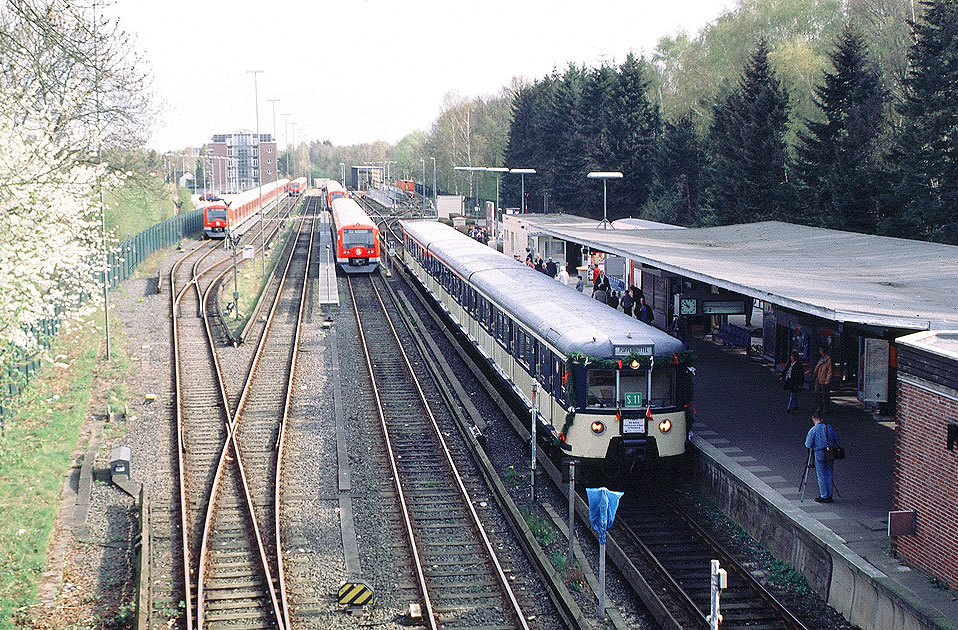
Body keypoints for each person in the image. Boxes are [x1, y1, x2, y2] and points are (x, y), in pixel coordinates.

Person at [804, 413, 839, 502]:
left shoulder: (813, 430)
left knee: (821, 474)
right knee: (829, 473)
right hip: (829, 452)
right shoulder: (829, 427)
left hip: (819, 452)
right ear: (821, 419)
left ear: (814, 419)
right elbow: (837, 439)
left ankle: (824, 495)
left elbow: (808, 444)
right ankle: (830, 494)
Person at [813, 347, 834, 414]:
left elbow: (830, 371)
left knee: (825, 394)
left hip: (823, 378)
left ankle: (825, 408)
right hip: (819, 377)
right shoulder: (821, 358)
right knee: (817, 392)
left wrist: (827, 380)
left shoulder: (828, 359)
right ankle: (820, 406)